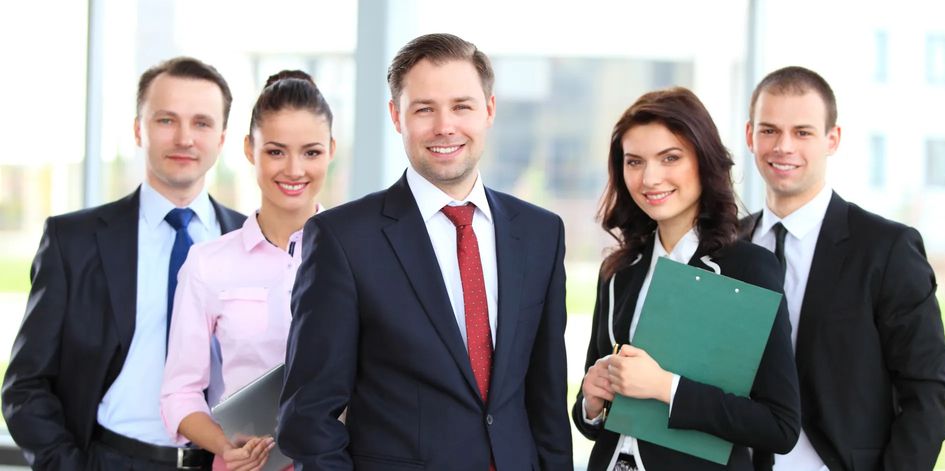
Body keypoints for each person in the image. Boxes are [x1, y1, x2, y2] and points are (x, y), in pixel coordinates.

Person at [276, 33, 573, 470]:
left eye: (462, 106)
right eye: (424, 109)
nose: (444, 126)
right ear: (397, 116)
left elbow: (547, 401)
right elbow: (308, 418)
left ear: (489, 110)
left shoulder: (539, 233)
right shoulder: (342, 239)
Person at [1, 57, 245, 470]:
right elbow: (25, 386)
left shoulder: (247, 242)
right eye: (166, 120)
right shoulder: (73, 242)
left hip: (225, 463)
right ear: (138, 129)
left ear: (221, 138)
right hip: (113, 459)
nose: (184, 138)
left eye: (201, 123)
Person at [741, 65, 945, 471]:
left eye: (802, 132)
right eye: (769, 130)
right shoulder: (727, 245)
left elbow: (929, 388)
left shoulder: (886, 249)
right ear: (751, 136)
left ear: (832, 139)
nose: (783, 146)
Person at [573, 87, 800, 471]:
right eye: (634, 162)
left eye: (670, 158)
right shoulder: (619, 272)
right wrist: (590, 403)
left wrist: (666, 388)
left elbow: (779, 425)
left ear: (703, 161)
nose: (650, 178)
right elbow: (594, 422)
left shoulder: (748, 270)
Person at [160, 70, 335, 471]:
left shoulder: (361, 256)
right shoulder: (209, 264)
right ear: (248, 149)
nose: (294, 170)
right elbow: (179, 393)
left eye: (311, 152)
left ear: (331, 150)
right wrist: (224, 445)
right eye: (275, 151)